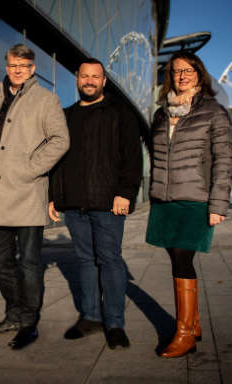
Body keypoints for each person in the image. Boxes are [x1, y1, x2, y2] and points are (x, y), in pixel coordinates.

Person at [0, 44, 70, 350]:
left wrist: (30, 169)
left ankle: (29, 321)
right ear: (7, 67)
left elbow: (61, 140)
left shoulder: (47, 99)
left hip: (27, 193)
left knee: (30, 262)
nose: (17, 69)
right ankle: (13, 313)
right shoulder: (0, 99)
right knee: (1, 260)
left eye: (23, 65)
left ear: (32, 69)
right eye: (12, 65)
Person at [49, 58, 143, 349]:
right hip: (75, 204)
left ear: (104, 81)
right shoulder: (66, 116)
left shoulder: (120, 112)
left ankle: (115, 323)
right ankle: (90, 316)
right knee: (85, 261)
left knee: (110, 261)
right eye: (84, 76)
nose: (89, 81)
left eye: (95, 76)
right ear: (77, 79)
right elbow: (57, 160)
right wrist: (54, 195)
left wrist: (125, 192)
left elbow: (132, 156)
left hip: (108, 203)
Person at [145, 51, 232, 358]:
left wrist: (218, 204)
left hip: (195, 199)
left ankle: (184, 334)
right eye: (176, 72)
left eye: (188, 71)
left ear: (199, 75)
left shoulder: (213, 112)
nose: (182, 77)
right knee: (176, 260)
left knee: (183, 259)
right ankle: (193, 322)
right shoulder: (160, 113)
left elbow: (224, 160)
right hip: (164, 198)